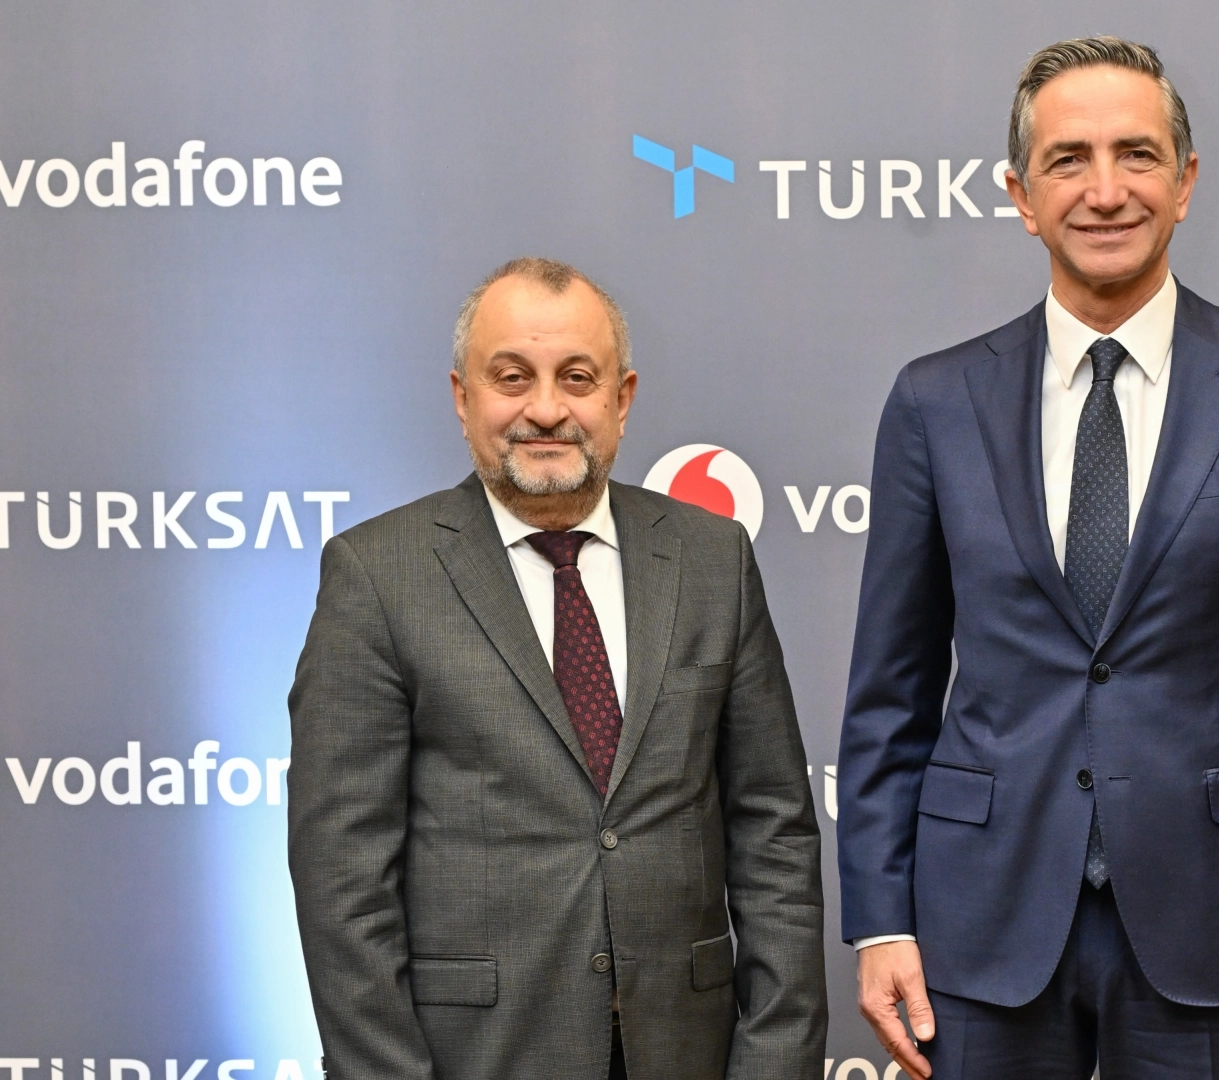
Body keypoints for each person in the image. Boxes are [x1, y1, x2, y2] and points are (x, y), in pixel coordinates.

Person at [836, 37, 1219, 1080]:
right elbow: (889, 694)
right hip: (982, 924)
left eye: (1137, 155)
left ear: (1185, 182)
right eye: (1068, 160)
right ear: (1021, 194)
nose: (1105, 191)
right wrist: (880, 918)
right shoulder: (933, 400)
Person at [288, 257, 827, 1080]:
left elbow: (774, 834)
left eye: (577, 377)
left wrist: (777, 1063)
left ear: (622, 399)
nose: (546, 408)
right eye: (512, 378)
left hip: (687, 1050)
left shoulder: (712, 559)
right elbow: (342, 876)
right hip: (476, 1056)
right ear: (463, 397)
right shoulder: (378, 575)